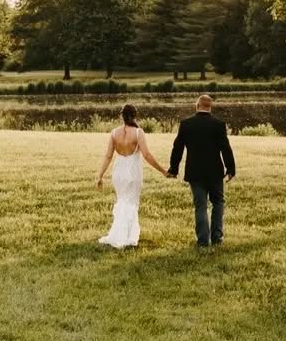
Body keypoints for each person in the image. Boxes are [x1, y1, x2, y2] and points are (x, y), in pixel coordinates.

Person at [96, 104, 169, 249]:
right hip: (132, 172)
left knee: (122, 200)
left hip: (118, 172)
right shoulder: (138, 132)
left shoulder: (114, 133)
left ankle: (119, 233)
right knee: (131, 202)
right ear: (134, 116)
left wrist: (100, 175)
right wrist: (163, 171)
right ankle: (127, 236)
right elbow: (147, 155)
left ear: (121, 116)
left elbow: (108, 156)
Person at [167, 94, 236, 248]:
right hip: (215, 172)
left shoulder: (186, 124)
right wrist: (231, 168)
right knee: (218, 202)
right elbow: (226, 148)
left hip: (195, 172)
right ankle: (217, 237)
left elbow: (177, 148)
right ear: (210, 107)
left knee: (200, 205)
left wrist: (174, 168)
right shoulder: (219, 124)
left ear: (196, 106)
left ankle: (203, 241)